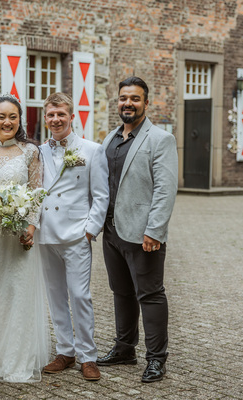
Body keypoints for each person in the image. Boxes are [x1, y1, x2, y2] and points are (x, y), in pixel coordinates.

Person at [97, 76, 178, 383]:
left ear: (146, 102)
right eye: (123, 98)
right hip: (112, 231)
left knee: (151, 295)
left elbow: (165, 189)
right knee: (121, 292)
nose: (127, 103)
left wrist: (155, 230)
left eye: (134, 98)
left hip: (143, 234)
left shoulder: (160, 139)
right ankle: (124, 348)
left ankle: (156, 358)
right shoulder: (111, 138)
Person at [0, 93, 50, 382]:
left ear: (20, 120)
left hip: (19, 235)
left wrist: (31, 228)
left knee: (17, 293)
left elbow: (37, 193)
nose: (7, 122)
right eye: (1, 116)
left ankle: (16, 359)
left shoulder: (30, 152)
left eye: (13, 117)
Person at [37, 92, 109, 381]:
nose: (56, 119)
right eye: (51, 115)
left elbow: (101, 195)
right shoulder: (38, 152)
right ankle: (65, 351)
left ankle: (88, 356)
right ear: (45, 118)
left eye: (61, 114)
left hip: (77, 234)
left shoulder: (92, 150)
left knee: (80, 296)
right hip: (46, 234)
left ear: (71, 117)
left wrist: (90, 230)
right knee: (55, 296)